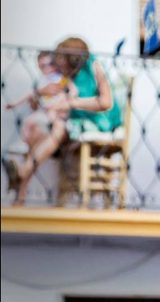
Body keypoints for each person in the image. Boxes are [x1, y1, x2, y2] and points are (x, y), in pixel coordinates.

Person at [3, 37, 122, 205]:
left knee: (57, 126)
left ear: (72, 59)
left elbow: (106, 102)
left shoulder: (94, 66)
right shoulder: (67, 77)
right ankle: (20, 191)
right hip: (76, 122)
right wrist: (39, 96)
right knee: (38, 130)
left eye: (60, 59)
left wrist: (71, 103)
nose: (56, 64)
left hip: (100, 121)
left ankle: (21, 178)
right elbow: (50, 100)